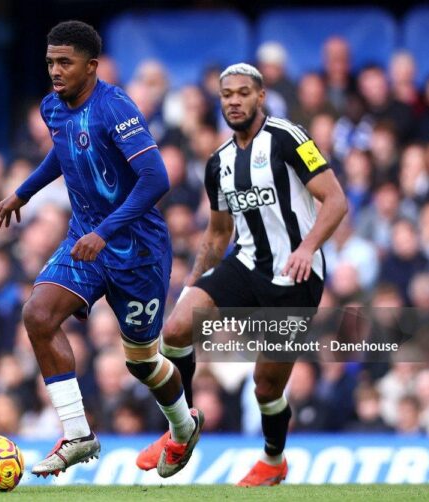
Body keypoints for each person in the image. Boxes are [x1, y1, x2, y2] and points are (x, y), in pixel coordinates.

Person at [0, 20, 202, 478]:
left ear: (91, 66)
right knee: (38, 314)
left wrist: (105, 232)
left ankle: (184, 427)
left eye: (64, 62)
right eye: (50, 62)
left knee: (142, 363)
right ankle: (77, 434)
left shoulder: (115, 107)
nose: (55, 70)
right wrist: (23, 193)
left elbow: (156, 179)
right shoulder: (53, 107)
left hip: (137, 250)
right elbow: (63, 152)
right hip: (85, 240)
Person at [135, 63, 347, 486]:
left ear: (260, 96)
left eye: (243, 92)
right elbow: (218, 232)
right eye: (227, 94)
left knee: (266, 386)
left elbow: (336, 200)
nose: (234, 100)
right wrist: (193, 283)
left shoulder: (289, 138)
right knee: (176, 329)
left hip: (295, 278)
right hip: (246, 263)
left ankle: (273, 460)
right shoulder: (219, 162)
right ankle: (183, 426)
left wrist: (307, 248)